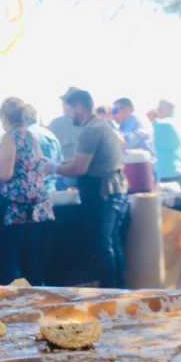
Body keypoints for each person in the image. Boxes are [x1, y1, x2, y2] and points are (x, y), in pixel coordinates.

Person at [0, 98, 54, 286]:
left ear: (5, 117)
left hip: (13, 207)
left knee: (10, 259)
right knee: (33, 258)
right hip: (36, 205)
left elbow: (6, 174)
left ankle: (13, 299)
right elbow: (34, 166)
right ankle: (38, 296)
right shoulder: (31, 137)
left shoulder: (9, 137)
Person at [57, 89, 128, 289]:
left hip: (102, 192)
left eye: (68, 109)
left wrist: (54, 168)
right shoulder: (103, 126)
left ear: (79, 107)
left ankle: (110, 291)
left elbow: (80, 168)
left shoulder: (91, 130)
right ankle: (120, 289)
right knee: (112, 241)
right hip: (114, 189)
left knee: (102, 244)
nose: (67, 114)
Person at [48, 87, 84, 190]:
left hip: (69, 173)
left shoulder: (56, 124)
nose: (64, 105)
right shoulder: (56, 123)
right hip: (69, 173)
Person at [26, 107, 63, 193]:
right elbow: (60, 163)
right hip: (52, 189)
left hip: (33, 191)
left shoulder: (25, 135)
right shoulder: (51, 135)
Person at [151, 100, 181, 188]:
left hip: (167, 174)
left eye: (160, 108)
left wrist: (153, 120)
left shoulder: (163, 124)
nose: (157, 110)